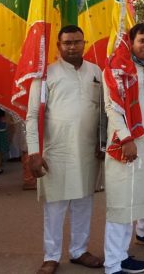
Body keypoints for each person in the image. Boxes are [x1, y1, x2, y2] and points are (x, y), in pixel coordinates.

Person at [26, 26, 103, 274]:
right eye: (67, 43)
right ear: (58, 46)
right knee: (55, 205)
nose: (72, 46)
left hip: (88, 150)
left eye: (77, 42)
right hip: (55, 151)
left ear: (84, 43)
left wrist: (102, 143)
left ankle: (79, 251)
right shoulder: (46, 75)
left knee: (84, 202)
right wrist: (34, 153)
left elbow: (104, 111)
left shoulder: (96, 72)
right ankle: (51, 256)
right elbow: (32, 116)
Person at [102, 23, 144, 274]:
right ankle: (111, 265)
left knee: (134, 203)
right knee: (120, 204)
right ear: (131, 41)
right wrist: (127, 138)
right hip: (124, 146)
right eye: (142, 41)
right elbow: (112, 107)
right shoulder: (117, 68)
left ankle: (121, 255)